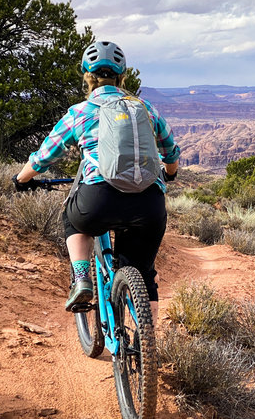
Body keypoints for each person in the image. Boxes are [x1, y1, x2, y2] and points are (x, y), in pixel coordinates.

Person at [13, 40, 180, 324]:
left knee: (72, 218)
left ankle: (82, 280)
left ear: (87, 77)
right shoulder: (145, 108)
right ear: (122, 77)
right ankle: (147, 347)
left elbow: (44, 156)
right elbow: (170, 150)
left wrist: (21, 179)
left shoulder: (80, 111)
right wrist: (171, 173)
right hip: (149, 203)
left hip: (98, 200)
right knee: (144, 274)